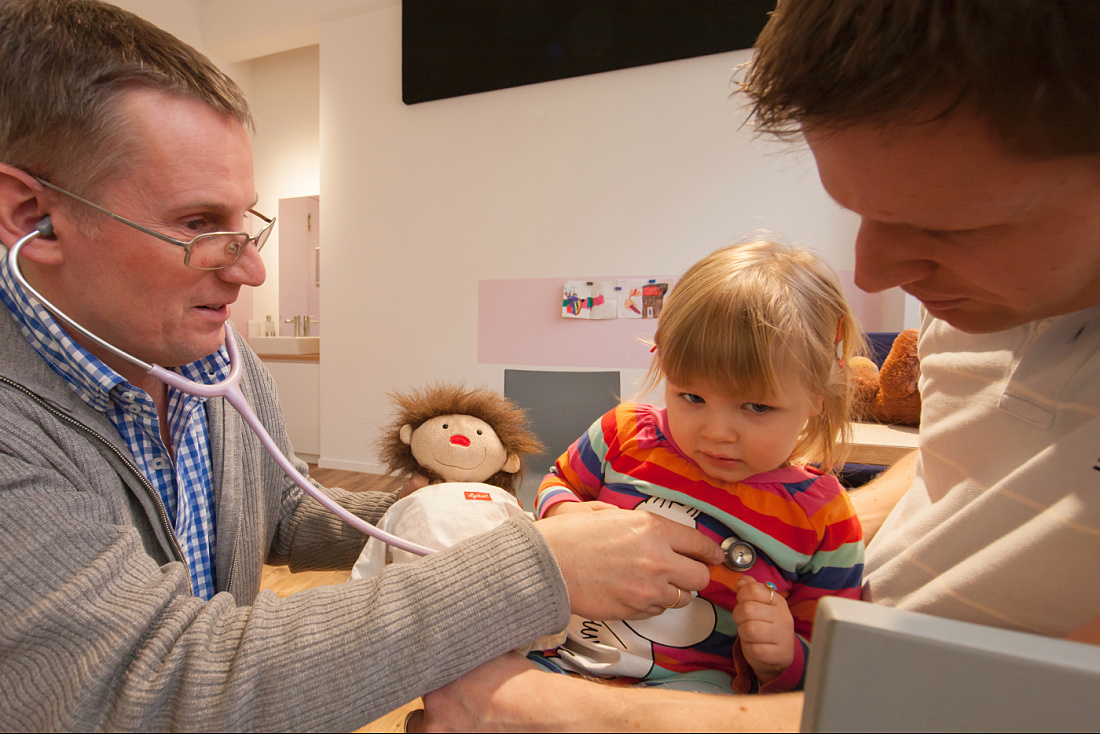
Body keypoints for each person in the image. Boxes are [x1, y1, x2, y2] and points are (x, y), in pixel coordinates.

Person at [0, 1, 723, 730]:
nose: (251, 270)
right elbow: (155, 686)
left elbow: (278, 513)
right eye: (197, 224)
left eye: (244, 221)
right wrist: (537, 568)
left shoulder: (218, 362)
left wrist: (458, 512)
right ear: (33, 216)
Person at [418, 0, 1100, 729]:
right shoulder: (629, 432)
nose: (872, 273)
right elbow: (963, 460)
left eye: (951, 223)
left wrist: (556, 712)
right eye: (691, 396)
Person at [529, 240, 864, 694]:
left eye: (756, 407)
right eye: (692, 398)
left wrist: (783, 656)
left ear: (819, 396)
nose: (716, 432)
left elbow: (828, 667)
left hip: (690, 700)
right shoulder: (624, 434)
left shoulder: (824, 519)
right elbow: (558, 482)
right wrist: (564, 516)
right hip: (555, 657)